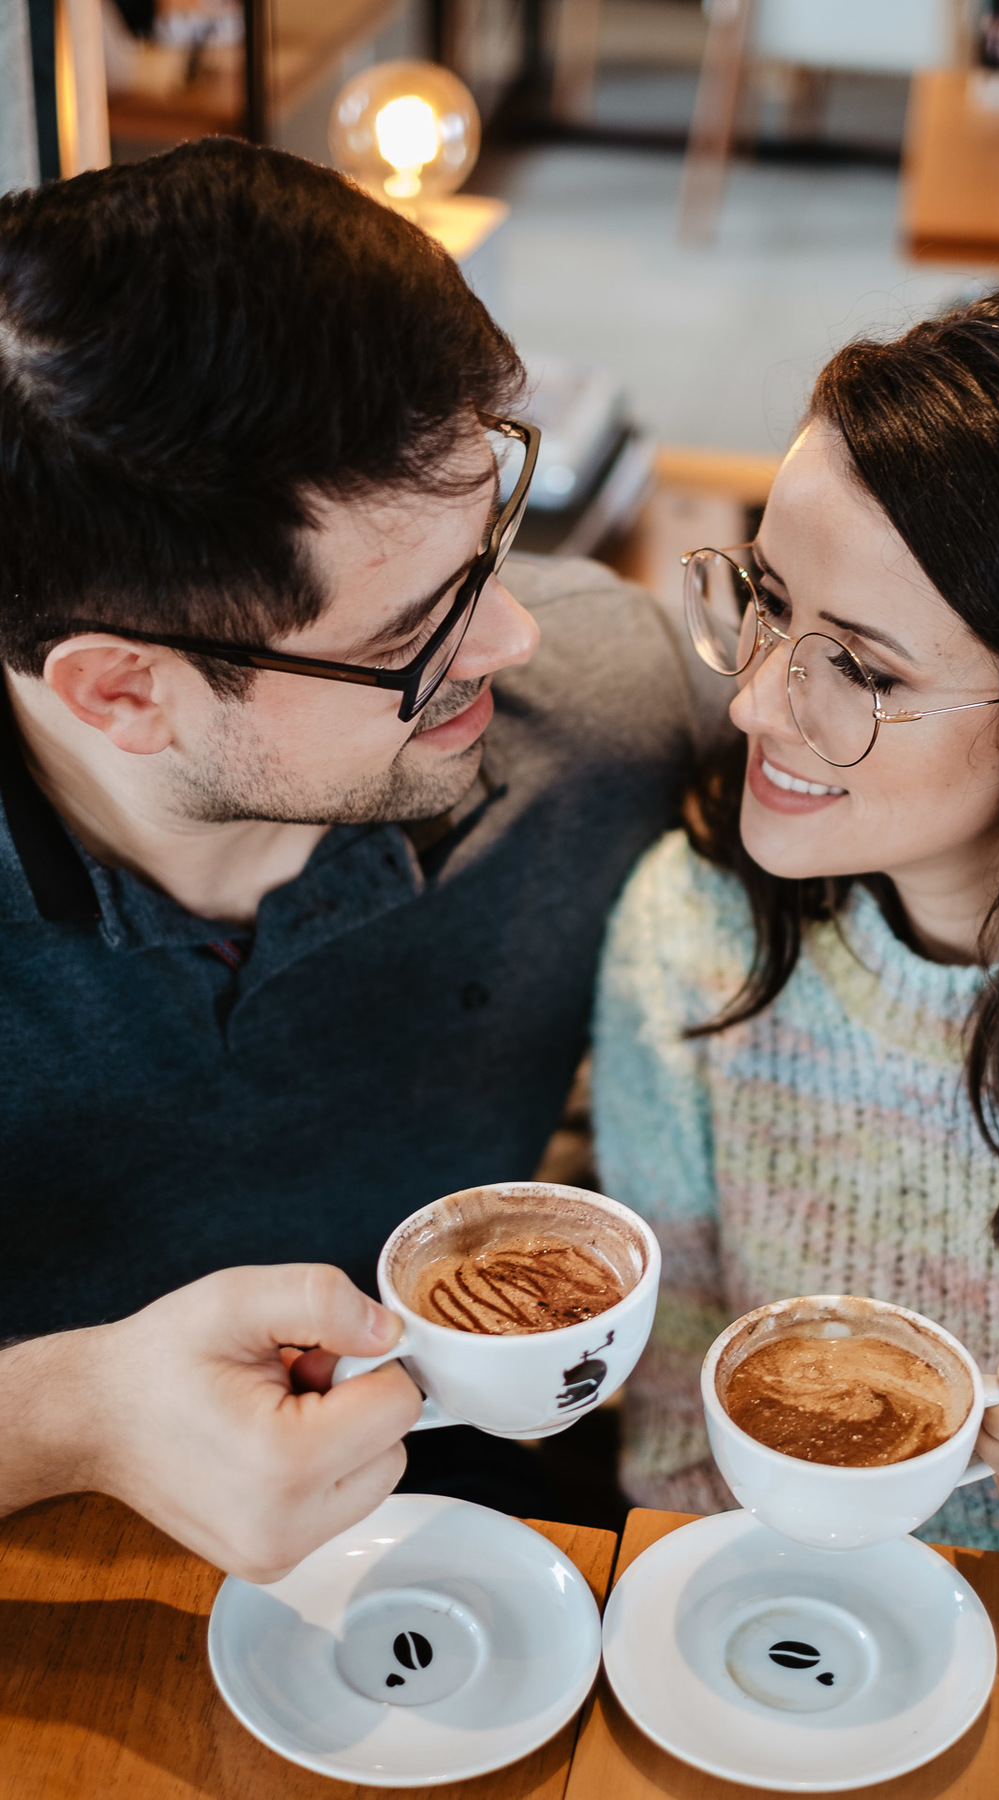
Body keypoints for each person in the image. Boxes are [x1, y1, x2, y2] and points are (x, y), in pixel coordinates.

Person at [0, 139, 710, 1578]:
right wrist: (73, 1417)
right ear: (121, 690)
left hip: (492, 1546)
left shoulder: (600, 713)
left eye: (490, 543)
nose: (514, 634)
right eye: (410, 635)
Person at [593, 290, 999, 1574]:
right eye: (767, 601)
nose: (756, 704)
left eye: (863, 671)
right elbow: (674, 1438)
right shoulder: (691, 932)